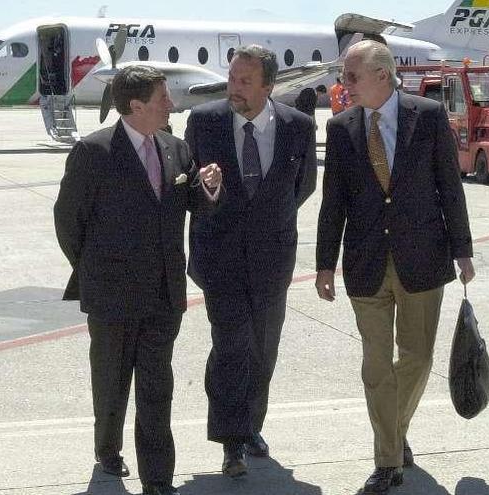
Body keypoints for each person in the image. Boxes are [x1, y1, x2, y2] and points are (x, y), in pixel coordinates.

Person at [315, 40, 475, 495]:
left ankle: (393, 428)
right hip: (364, 264)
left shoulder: (426, 117)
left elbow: (450, 187)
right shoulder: (342, 127)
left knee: (418, 357)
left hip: (423, 258)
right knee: (375, 365)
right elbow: (333, 203)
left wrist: (463, 250)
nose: (343, 85)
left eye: (351, 76)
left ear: (382, 75)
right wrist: (325, 263)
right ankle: (388, 460)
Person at [53, 65, 222, 495]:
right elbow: (68, 221)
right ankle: (107, 450)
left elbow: (191, 208)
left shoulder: (177, 149)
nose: (171, 104)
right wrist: (94, 269)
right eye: (163, 98)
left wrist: (209, 191)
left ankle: (158, 479)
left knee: (156, 386)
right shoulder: (93, 152)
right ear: (136, 105)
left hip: (164, 295)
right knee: (111, 382)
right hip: (111, 295)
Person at [184, 44, 317, 478]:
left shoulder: (297, 126)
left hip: (272, 259)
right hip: (219, 257)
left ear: (268, 85)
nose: (233, 87)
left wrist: (267, 219)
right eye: (232, 78)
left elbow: (302, 187)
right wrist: (211, 192)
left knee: (263, 349)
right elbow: (188, 191)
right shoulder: (204, 122)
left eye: (244, 81)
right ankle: (230, 441)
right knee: (230, 346)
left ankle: (250, 425)